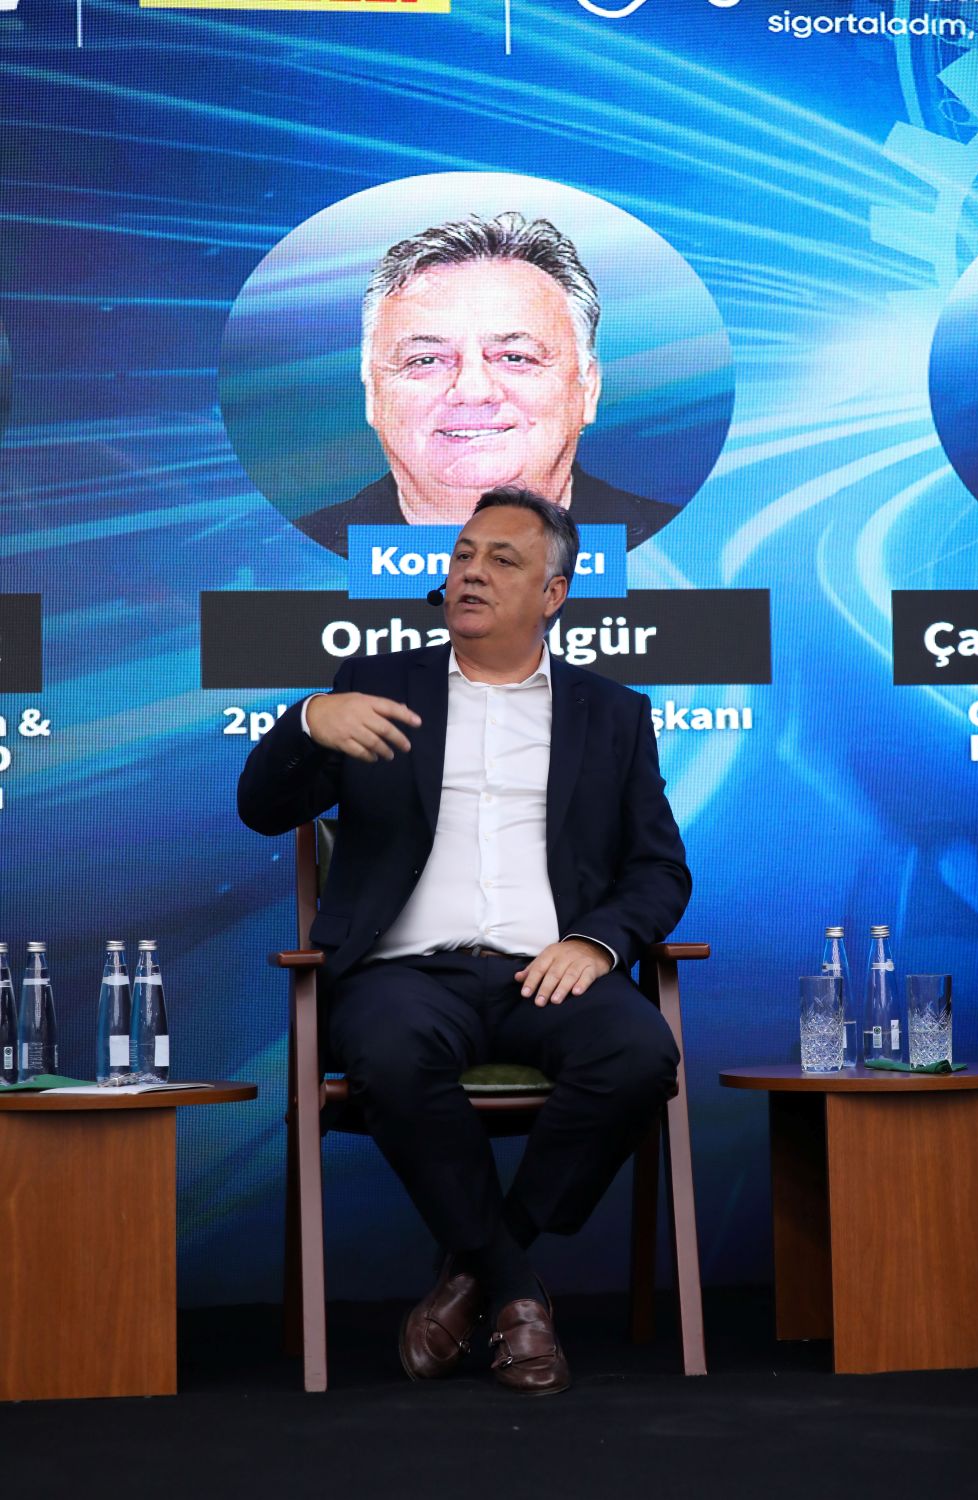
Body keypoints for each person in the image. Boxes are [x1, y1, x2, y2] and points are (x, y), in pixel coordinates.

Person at [238, 488, 691, 1395]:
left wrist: (596, 943)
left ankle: (479, 1271)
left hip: (547, 974)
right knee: (393, 1052)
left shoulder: (612, 713)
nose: (472, 572)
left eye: (503, 560)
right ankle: (517, 1293)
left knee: (641, 1052)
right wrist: (307, 722)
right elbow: (262, 810)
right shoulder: (375, 686)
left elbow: (658, 871)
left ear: (554, 594)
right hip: (405, 974)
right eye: (464, 555)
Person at [295, 213, 679, 554]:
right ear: (373, 395)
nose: (472, 391)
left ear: (588, 389)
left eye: (515, 358)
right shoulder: (284, 559)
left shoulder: (685, 551)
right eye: (426, 360)